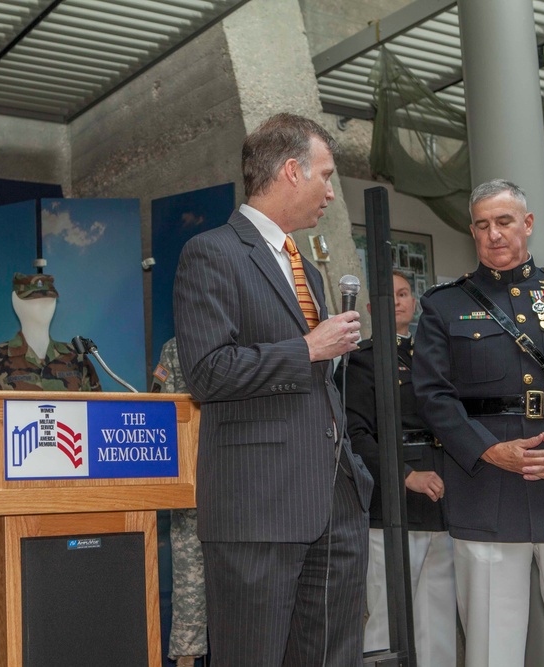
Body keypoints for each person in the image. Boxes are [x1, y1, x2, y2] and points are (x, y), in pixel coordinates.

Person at [173, 112, 373, 666]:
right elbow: (207, 373)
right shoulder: (211, 252)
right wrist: (308, 348)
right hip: (257, 508)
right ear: (291, 171)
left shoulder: (305, 265)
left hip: (334, 502)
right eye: (326, 175)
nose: (331, 193)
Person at [412, 179, 544, 667]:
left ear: (527, 224)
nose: (494, 234)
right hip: (488, 488)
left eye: (505, 221)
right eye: (483, 225)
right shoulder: (443, 305)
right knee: (492, 650)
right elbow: (432, 395)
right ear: (472, 232)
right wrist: (489, 450)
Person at [334, 270, 455, 664]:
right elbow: (355, 435)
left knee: (437, 619)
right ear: (371, 308)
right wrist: (404, 475)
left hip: (441, 499)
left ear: (414, 303)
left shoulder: (433, 358)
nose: (399, 301)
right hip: (393, 501)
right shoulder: (361, 361)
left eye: (404, 294)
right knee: (387, 616)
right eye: (389, 296)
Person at [152, 337, 208, 667]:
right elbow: (162, 410)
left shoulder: (254, 338)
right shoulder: (176, 347)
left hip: (245, 485)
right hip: (191, 483)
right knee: (190, 589)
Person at [0, 272, 101, 391]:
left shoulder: (76, 358)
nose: (43, 307)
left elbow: (99, 411)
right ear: (16, 303)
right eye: (33, 301)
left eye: (49, 301)